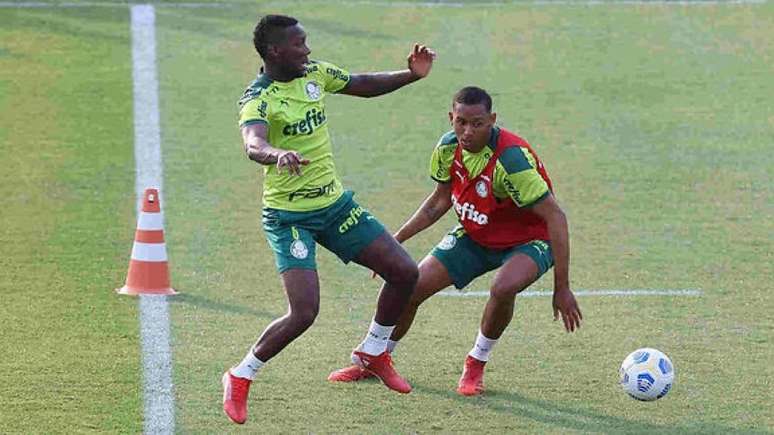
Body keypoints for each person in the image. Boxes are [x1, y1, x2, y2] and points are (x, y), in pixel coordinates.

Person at [222, 14, 436, 424]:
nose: (308, 49)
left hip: (334, 207)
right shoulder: (258, 99)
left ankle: (373, 352)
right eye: (300, 43)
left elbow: (361, 84)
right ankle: (239, 375)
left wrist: (411, 76)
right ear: (275, 51)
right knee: (304, 313)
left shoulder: (314, 74)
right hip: (290, 218)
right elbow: (254, 143)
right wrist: (276, 154)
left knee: (405, 272)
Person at [329, 86, 582, 396]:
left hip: (529, 239)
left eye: (477, 123)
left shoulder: (511, 160)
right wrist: (397, 241)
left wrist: (562, 287)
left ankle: (476, 361)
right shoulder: (448, 148)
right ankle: (375, 358)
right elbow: (439, 201)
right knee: (411, 286)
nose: (467, 131)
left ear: (492, 120)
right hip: (477, 232)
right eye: (461, 122)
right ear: (451, 117)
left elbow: (556, 217)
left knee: (503, 287)